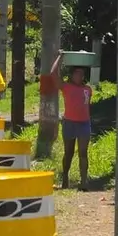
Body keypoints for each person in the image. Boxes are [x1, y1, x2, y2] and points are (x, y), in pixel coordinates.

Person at [52, 49, 93, 190]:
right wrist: (60, 57)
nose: (80, 76)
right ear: (72, 75)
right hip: (69, 123)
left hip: (84, 123)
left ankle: (83, 181)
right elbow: (53, 74)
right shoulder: (66, 87)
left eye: (82, 74)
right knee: (68, 152)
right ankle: (65, 177)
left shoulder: (88, 89)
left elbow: (87, 106)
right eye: (77, 73)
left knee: (83, 152)